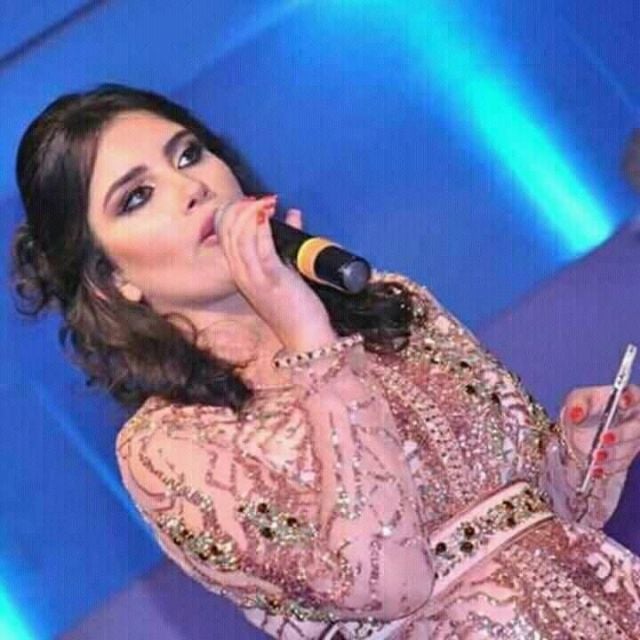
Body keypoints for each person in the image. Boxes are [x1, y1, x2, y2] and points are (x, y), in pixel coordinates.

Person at [10, 83, 640, 640]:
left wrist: (584, 452)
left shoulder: (387, 303)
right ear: (110, 280)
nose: (191, 188)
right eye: (138, 196)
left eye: (189, 154)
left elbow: (536, 517)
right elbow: (388, 582)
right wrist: (307, 339)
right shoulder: (165, 446)